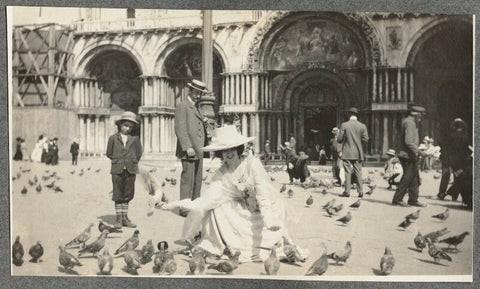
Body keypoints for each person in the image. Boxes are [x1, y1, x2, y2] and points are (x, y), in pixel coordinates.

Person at [158, 125, 308, 262]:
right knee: (215, 209)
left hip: (267, 207)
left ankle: (276, 242)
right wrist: (172, 205)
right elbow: (206, 200)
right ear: (220, 154)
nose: (229, 154)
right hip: (242, 210)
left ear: (238, 149)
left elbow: (263, 192)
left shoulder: (252, 163)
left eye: (232, 149)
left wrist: (268, 217)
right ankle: (228, 245)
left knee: (273, 214)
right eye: (225, 151)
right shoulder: (221, 174)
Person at [174, 79, 208, 217]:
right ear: (190, 91)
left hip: (199, 149)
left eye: (200, 94)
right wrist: (187, 146)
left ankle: (194, 205)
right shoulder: (183, 106)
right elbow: (180, 128)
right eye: (196, 93)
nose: (198, 96)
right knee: (187, 179)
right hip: (189, 150)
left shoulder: (197, 107)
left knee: (197, 179)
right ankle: (184, 207)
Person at [106, 111, 143, 228]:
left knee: (128, 194)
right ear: (120, 125)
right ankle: (119, 219)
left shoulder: (135, 139)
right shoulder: (113, 138)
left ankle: (125, 217)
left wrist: (130, 161)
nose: (127, 128)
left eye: (130, 127)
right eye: (125, 125)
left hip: (130, 169)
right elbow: (109, 153)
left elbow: (138, 153)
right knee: (118, 194)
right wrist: (119, 160)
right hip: (117, 169)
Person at [391, 106, 427, 207]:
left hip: (410, 154)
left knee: (415, 177)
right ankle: (397, 199)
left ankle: (413, 199)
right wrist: (420, 152)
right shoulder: (410, 123)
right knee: (408, 177)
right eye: (421, 116)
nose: (422, 118)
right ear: (417, 115)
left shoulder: (411, 122)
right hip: (406, 154)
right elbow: (409, 141)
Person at [337, 107, 369, 198]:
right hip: (358, 152)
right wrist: (358, 143)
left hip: (347, 151)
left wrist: (344, 140)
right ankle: (360, 191)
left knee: (347, 172)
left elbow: (339, 139)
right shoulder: (362, 126)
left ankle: (347, 192)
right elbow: (366, 139)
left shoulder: (344, 125)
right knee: (358, 171)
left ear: (349, 114)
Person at [437, 118, 470, 201]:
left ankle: (441, 193)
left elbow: (443, 146)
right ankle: (454, 195)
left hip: (447, 158)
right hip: (458, 160)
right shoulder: (465, 137)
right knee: (458, 177)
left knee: (445, 176)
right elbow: (465, 150)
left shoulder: (448, 135)